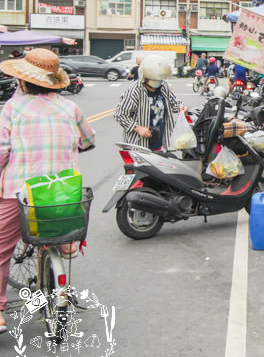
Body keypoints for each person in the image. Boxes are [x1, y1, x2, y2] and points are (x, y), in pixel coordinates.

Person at [0, 49, 95, 333]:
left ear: (24, 82)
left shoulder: (12, 109)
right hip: (63, 193)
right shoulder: (70, 108)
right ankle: (62, 246)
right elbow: (88, 140)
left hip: (21, 192)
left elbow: (2, 152)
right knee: (54, 225)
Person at [114, 55, 182, 151]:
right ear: (144, 77)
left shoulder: (164, 86)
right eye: (153, 81)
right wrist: (138, 128)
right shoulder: (135, 90)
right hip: (139, 144)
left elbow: (174, 104)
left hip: (160, 142)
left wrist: (181, 108)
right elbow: (120, 115)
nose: (156, 85)